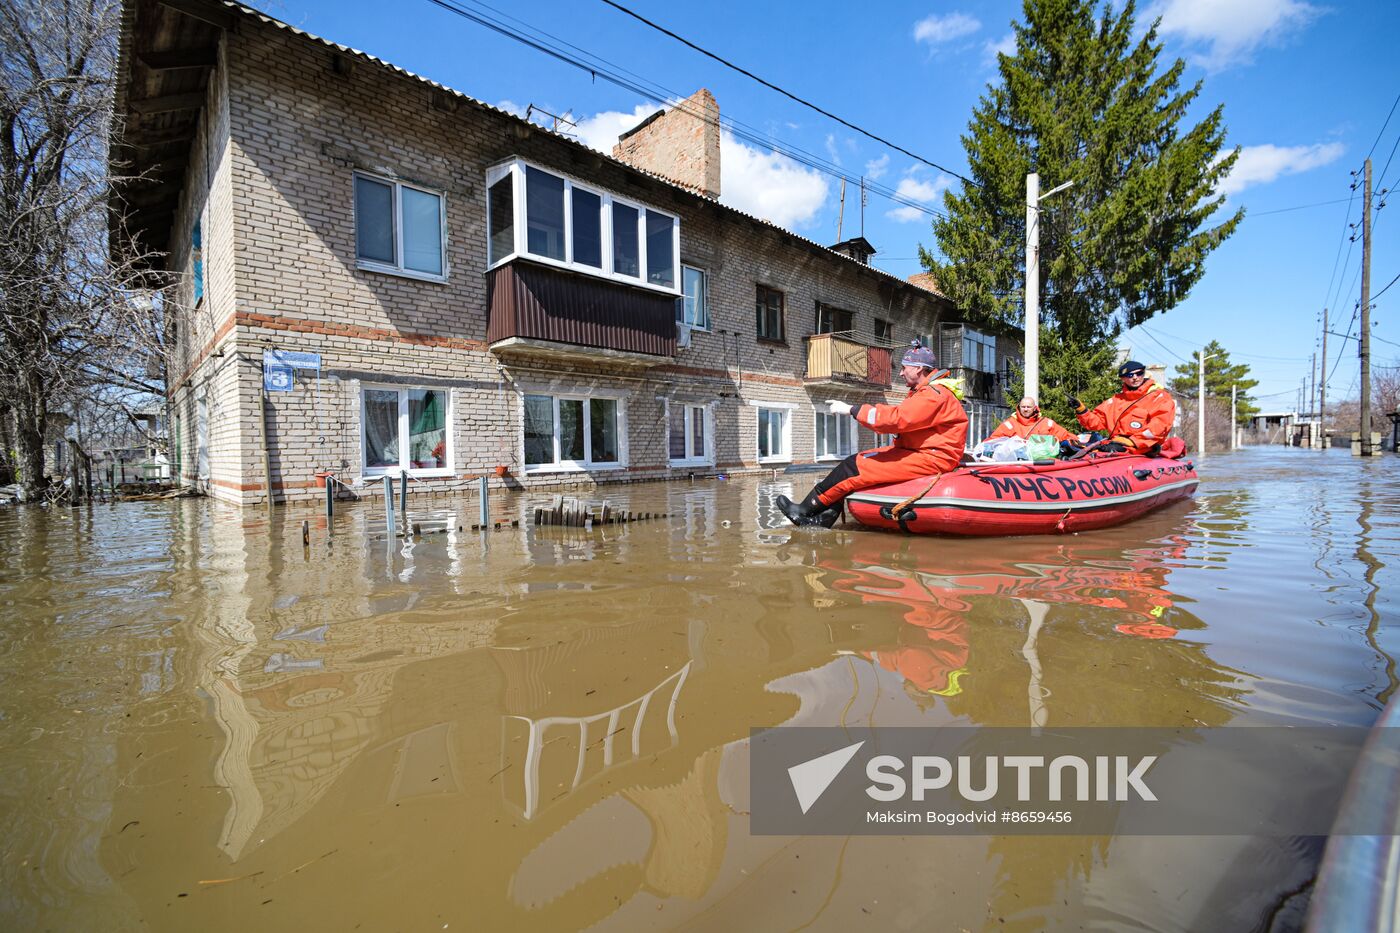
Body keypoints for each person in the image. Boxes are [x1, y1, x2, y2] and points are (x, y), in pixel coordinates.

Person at [776, 343, 969, 527]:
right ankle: (825, 517)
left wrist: (852, 409)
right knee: (857, 460)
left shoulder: (932, 394)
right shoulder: (930, 392)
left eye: (904, 368)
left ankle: (804, 510)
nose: (900, 372)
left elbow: (896, 419)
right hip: (923, 453)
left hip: (931, 457)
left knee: (854, 467)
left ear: (918, 368)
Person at [1068, 359, 1177, 454]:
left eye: (1139, 373)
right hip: (1118, 446)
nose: (1135, 377)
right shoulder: (1115, 401)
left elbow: (1159, 425)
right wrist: (1081, 410)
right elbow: (1095, 423)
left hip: (1145, 448)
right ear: (1123, 379)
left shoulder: (1159, 397)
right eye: (1130, 375)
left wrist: (1133, 441)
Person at [982, 396, 1075, 444]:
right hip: (1017, 465)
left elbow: (1065, 436)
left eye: (1028, 407)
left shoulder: (1046, 423)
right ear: (1019, 407)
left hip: (1043, 464)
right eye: (1023, 407)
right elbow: (993, 441)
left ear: (1034, 408)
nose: (1025, 409)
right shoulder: (1010, 424)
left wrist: (1080, 441)